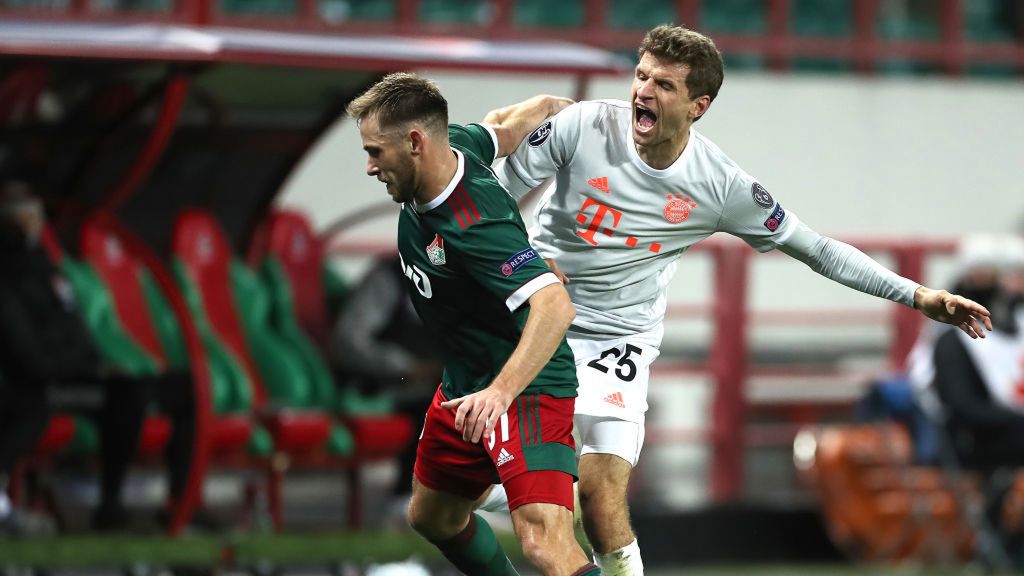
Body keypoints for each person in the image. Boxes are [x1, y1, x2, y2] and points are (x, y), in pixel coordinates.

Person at [479, 24, 994, 575]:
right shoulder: (581, 127)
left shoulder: (718, 184)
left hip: (619, 337)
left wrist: (918, 295)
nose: (643, 92)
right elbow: (497, 198)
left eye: (665, 85)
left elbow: (819, 250)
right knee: (459, 498)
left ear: (698, 105)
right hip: (537, 317)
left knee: (600, 497)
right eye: (641, 76)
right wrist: (531, 265)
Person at [346, 73, 598, 576]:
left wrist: (500, 394)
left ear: (415, 142)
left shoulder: (473, 221)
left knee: (544, 540)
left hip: (524, 386)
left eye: (376, 151)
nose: (369, 166)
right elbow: (501, 125)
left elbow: (555, 307)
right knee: (433, 516)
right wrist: (551, 105)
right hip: (466, 384)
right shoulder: (453, 146)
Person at [0, 181, 196, 532]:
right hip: (52, 385)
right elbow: (25, 351)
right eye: (26, 214)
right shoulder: (10, 272)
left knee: (187, 388)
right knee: (125, 398)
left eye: (35, 213)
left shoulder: (44, 264)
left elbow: (71, 330)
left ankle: (182, 502)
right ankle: (110, 506)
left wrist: (99, 366)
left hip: (85, 375)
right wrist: (84, 370)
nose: (36, 221)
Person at [329, 253, 441, 512]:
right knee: (435, 402)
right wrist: (407, 367)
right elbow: (347, 342)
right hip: (380, 383)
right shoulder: (389, 277)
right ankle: (406, 498)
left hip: (430, 380)